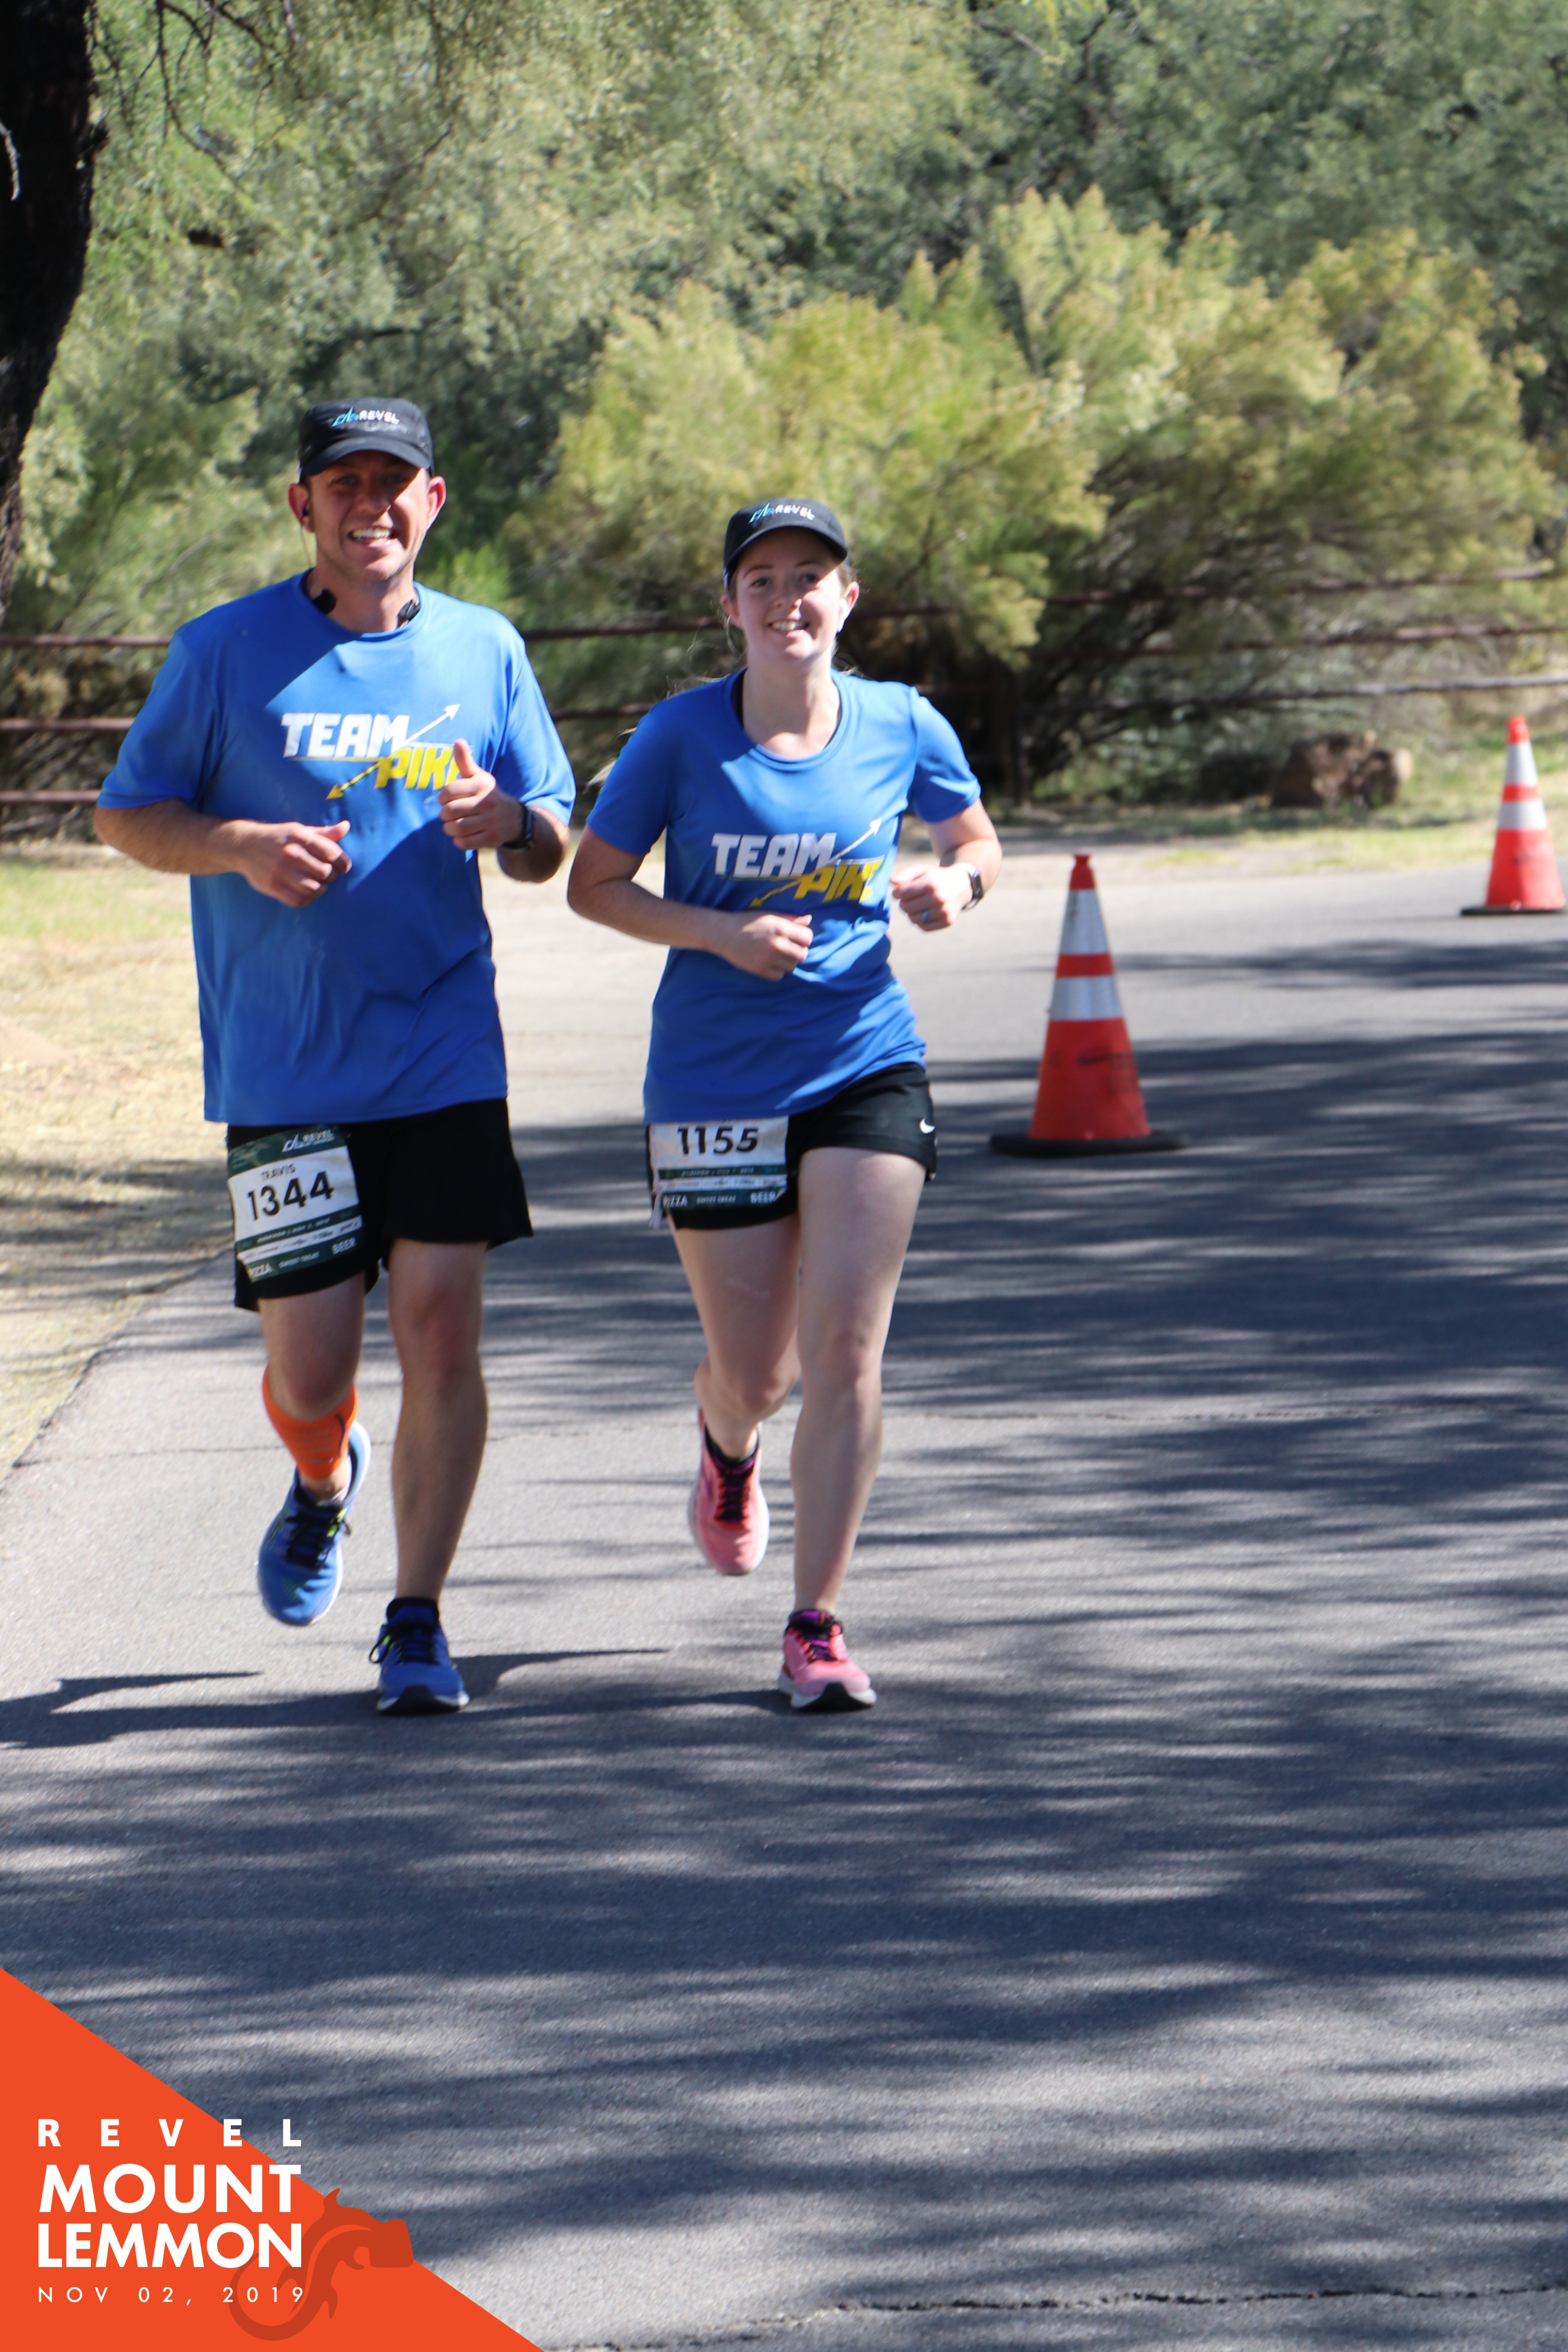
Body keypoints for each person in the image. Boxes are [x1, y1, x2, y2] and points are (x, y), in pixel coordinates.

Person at [94, 396, 574, 1715]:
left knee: (441, 1331)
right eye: (343, 483)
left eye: (393, 482)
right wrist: (239, 845)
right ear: (303, 504)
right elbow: (127, 815)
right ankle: (323, 1477)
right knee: (311, 1374)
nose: (371, 504)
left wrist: (509, 821)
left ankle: (417, 1617)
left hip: (442, 1052)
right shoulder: (224, 650)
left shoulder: (485, 646)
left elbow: (552, 839)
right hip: (285, 1068)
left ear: (432, 502)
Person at [567, 496, 1001, 1709]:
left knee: (844, 1349)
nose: (786, 598)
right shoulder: (678, 737)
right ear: (730, 608)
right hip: (712, 1079)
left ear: (846, 598)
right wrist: (718, 932)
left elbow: (977, 842)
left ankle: (816, 1624)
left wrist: (957, 889)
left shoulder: (900, 721)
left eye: (809, 575)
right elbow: (594, 886)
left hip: (864, 1058)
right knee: (755, 1372)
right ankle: (727, 1443)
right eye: (760, 580)